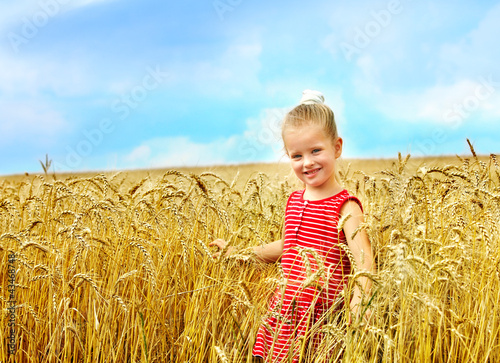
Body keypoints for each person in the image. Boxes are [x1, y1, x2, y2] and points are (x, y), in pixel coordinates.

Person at [210, 90, 374, 362]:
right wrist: (238, 254)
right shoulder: (295, 200)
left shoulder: (346, 206)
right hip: (285, 314)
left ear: (337, 147)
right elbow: (289, 246)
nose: (307, 162)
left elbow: (364, 260)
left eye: (316, 151)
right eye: (296, 156)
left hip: (323, 320)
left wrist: (360, 304)